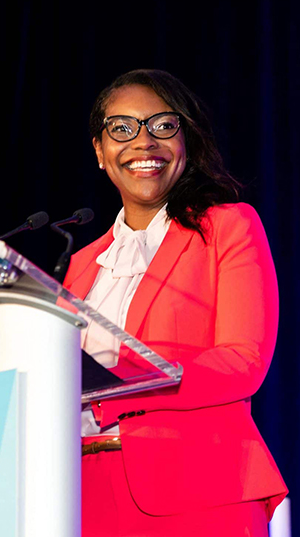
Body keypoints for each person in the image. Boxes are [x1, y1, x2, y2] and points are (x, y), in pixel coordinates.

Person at [63, 69, 287, 536]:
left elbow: (242, 362)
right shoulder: (84, 262)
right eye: (121, 129)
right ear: (99, 152)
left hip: (196, 489)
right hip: (78, 492)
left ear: (186, 140)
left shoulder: (227, 228)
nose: (143, 143)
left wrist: (117, 392)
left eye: (162, 125)